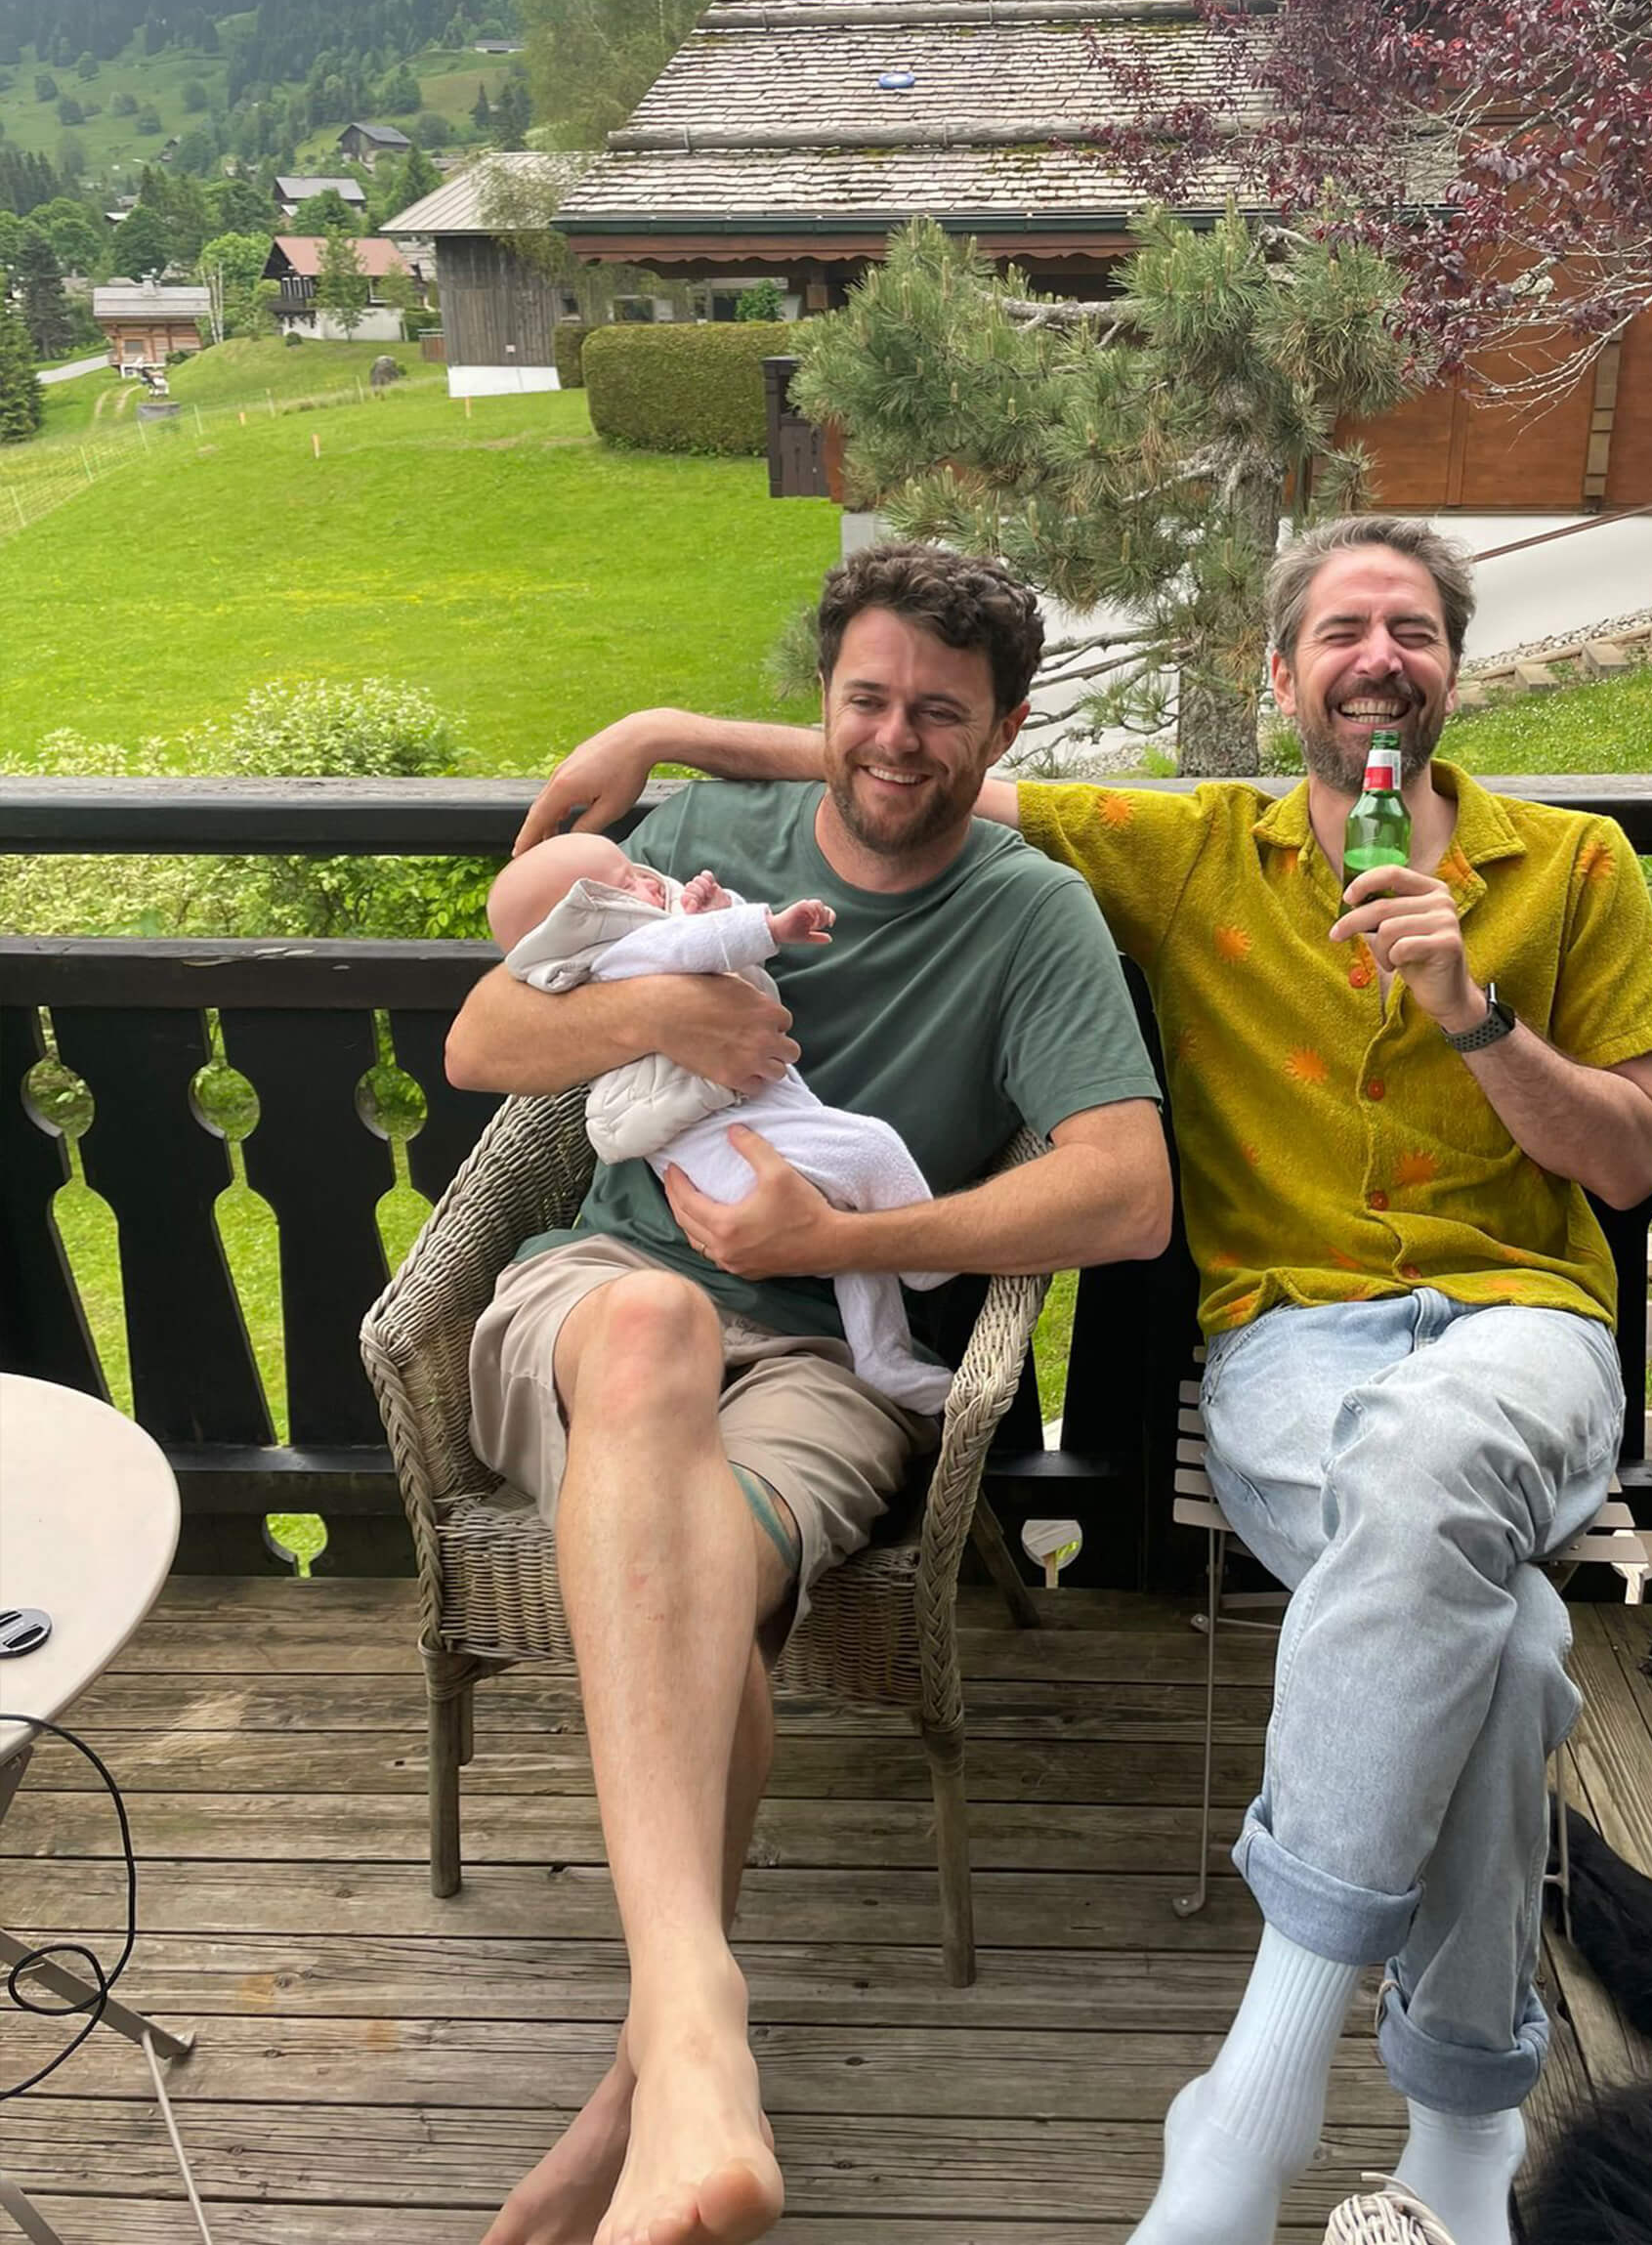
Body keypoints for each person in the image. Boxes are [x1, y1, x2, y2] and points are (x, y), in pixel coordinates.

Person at [515, 514, 1652, 2245]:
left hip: (1526, 1327)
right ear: (1278, 676)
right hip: (1293, 1343)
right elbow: (919, 757)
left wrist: (1472, 1011)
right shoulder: (1195, 854)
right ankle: (1461, 2138)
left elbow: (1633, 1167)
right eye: (1342, 630)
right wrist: (666, 734)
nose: (1379, 657)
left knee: (1444, 1468)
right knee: (1503, 1644)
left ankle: (1250, 2107)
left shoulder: (1577, 866)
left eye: (1414, 630)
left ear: (1453, 669)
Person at [448, 539, 1171, 2245]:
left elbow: (1128, 1195)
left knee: (691, 1559)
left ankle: (657, 2085)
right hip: (592, 1295)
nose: (896, 739)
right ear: (823, 703)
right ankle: (691, 2037)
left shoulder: (1030, 915)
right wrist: (673, 1016)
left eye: (943, 712)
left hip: (829, 1360)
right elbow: (485, 1041)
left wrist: (844, 1234)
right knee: (652, 1331)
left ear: (1004, 732)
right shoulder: (709, 837)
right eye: (866, 699)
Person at [487, 831, 953, 1415]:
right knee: (870, 1147)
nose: (646, 880)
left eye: (635, 870)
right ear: (581, 920)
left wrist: (718, 908)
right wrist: (769, 926)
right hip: (724, 1148)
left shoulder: (636, 950)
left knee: (850, 1232)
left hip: (735, 1136)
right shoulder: (619, 955)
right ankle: (928, 1261)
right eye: (624, 884)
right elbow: (693, 947)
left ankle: (883, 1359)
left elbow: (704, 948)